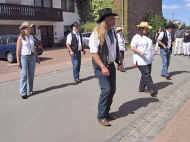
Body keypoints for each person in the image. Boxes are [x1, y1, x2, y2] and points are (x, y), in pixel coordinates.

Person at [89, 8, 123, 127]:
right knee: (106, 90)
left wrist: (119, 62)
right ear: (105, 20)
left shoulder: (112, 32)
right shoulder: (96, 33)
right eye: (112, 18)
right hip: (101, 66)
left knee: (112, 90)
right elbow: (93, 53)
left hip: (111, 65)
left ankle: (107, 113)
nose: (114, 20)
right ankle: (101, 116)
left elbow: (115, 49)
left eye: (113, 18)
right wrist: (103, 67)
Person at [131, 21, 157, 97]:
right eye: (146, 29)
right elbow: (132, 47)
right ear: (141, 29)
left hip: (148, 59)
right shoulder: (136, 37)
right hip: (140, 59)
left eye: (147, 29)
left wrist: (154, 51)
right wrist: (140, 52)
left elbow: (150, 47)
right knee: (146, 74)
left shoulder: (147, 38)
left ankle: (141, 88)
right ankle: (151, 89)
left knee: (145, 74)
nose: (147, 30)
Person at [16, 22, 39, 99]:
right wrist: (18, 61)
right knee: (24, 75)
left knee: (31, 74)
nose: (30, 29)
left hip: (32, 57)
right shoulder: (20, 38)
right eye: (28, 28)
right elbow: (18, 51)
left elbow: (33, 48)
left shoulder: (31, 37)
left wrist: (36, 57)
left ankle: (31, 89)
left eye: (30, 28)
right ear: (24, 29)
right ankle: (23, 92)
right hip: (24, 58)